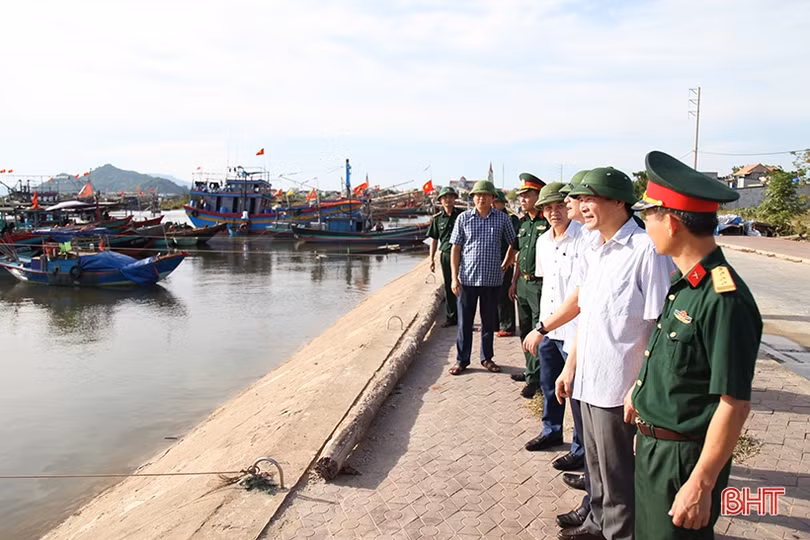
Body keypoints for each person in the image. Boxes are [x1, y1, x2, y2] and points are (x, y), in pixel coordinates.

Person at [628, 151, 762, 540]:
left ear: (670, 222)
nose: (645, 225)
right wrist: (640, 394)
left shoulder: (723, 297)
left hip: (684, 461)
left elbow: (734, 403)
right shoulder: (687, 283)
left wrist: (701, 484)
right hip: (657, 450)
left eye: (648, 215)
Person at [544, 167, 674, 540]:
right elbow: (588, 313)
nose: (581, 207)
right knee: (597, 466)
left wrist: (641, 386)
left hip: (619, 381)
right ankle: (596, 523)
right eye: (579, 199)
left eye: (589, 198)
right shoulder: (595, 248)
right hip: (589, 376)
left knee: (617, 471)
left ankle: (619, 532)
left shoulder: (645, 250)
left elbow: (658, 323)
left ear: (619, 201)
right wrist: (570, 366)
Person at [523, 181, 587, 467]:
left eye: (559, 206)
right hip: (548, 325)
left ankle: (581, 448)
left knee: (576, 391)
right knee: (550, 385)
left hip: (574, 328)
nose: (554, 212)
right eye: (547, 207)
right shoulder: (542, 241)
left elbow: (582, 292)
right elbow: (547, 284)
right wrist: (541, 326)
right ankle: (551, 431)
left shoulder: (585, 238)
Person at [449, 180, 517, 375]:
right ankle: (462, 360)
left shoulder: (502, 219)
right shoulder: (463, 219)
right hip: (467, 280)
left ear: (493, 198)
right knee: (465, 323)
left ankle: (487, 358)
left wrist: (507, 261)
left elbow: (514, 242)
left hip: (492, 280)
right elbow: (456, 248)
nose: (481, 198)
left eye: (485, 195)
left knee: (488, 323)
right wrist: (454, 277)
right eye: (477, 195)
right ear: (473, 198)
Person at [508, 173, 549, 401]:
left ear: (538, 196)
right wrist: (514, 282)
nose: (522, 199)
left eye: (527, 195)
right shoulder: (522, 223)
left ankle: (536, 379)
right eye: (521, 196)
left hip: (539, 284)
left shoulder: (547, 222)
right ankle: (530, 370)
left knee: (537, 330)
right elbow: (519, 254)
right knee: (524, 330)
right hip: (522, 282)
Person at [427, 186, 463, 327]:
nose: (447, 200)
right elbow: (434, 239)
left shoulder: (461, 216)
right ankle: (451, 317)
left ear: (454, 199)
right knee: (449, 286)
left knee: (463, 287)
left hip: (462, 254)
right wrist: (431, 259)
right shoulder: (437, 219)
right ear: (440, 201)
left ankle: (464, 318)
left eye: (450, 197)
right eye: (444, 197)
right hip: (446, 255)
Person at [493, 189, 520, 337]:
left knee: (505, 294)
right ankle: (495, 323)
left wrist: (508, 259)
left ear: (503, 203)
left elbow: (514, 242)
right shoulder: (489, 217)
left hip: (505, 261)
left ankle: (508, 326)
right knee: (493, 295)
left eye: (497, 202)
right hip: (492, 261)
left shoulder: (511, 218)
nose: (494, 204)